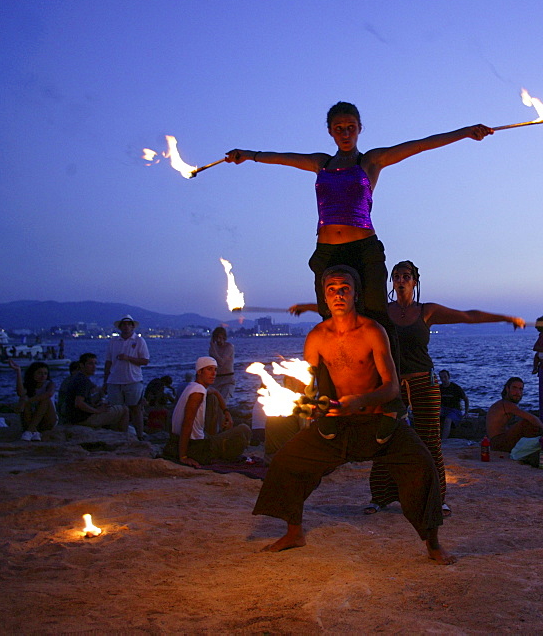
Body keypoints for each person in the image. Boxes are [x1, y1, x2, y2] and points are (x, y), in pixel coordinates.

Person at [224, 102, 494, 365]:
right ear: (330, 131)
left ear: (359, 129)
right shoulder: (321, 163)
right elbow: (283, 158)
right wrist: (248, 155)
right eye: (338, 128)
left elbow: (420, 144)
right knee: (330, 317)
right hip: (327, 251)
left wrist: (465, 132)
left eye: (350, 127)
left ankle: (390, 389)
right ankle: (333, 386)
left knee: (376, 316)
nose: (345, 133)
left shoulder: (371, 161)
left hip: (364, 248)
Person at [253, 265, 453, 564]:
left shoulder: (373, 331)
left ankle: (433, 544)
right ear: (324, 295)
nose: (338, 294)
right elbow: (309, 386)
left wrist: (360, 400)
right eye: (331, 289)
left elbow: (392, 388)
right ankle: (294, 532)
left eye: (344, 288)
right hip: (339, 424)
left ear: (356, 293)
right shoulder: (317, 337)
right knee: (286, 462)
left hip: (378, 420)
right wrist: (308, 403)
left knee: (422, 466)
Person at [291, 259, 523, 517]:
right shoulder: (383, 310)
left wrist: (504, 318)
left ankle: (437, 497)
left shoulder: (427, 311)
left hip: (424, 382)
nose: (400, 280)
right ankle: (380, 497)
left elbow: (468, 316)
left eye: (406, 276)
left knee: (430, 442)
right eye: (396, 276)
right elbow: (344, 305)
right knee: (384, 438)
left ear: (414, 281)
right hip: (391, 386)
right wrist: (308, 307)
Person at [163, 356, 250, 467]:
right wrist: (183, 457)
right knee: (245, 429)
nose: (214, 373)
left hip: (187, 441)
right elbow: (187, 423)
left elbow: (216, 392)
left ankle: (214, 440)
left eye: (215, 370)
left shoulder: (193, 386)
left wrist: (226, 413)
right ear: (199, 371)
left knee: (213, 398)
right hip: (196, 447)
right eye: (209, 369)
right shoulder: (198, 392)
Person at [104, 314, 149, 440]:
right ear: (120, 326)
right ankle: (119, 436)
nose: (126, 326)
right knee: (116, 411)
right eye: (124, 324)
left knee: (136, 409)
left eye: (129, 324)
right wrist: (105, 380)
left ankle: (140, 435)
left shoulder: (139, 341)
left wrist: (128, 358)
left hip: (133, 380)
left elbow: (145, 361)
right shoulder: (113, 341)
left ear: (132, 326)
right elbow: (108, 361)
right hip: (114, 380)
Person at [66, 353, 130, 433]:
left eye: (95, 363)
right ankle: (124, 437)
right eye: (90, 363)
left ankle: (115, 433)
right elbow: (79, 403)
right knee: (124, 410)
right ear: (82, 365)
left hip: (75, 417)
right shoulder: (83, 381)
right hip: (84, 419)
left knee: (110, 408)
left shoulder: (77, 378)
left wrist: (95, 406)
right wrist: (97, 411)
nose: (94, 367)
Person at [486, 377, 543, 453]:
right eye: (514, 388)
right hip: (498, 443)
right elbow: (532, 418)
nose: (517, 392)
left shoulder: (504, 403)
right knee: (526, 423)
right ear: (507, 389)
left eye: (520, 389)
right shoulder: (506, 404)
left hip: (498, 441)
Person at [8, 359, 58, 441]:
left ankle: (29, 431)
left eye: (45, 373)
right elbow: (20, 393)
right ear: (32, 374)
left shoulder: (49, 384)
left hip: (47, 420)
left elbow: (49, 394)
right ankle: (34, 431)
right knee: (24, 397)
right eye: (39, 373)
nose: (43, 376)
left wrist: (27, 401)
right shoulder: (28, 386)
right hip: (30, 420)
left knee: (45, 400)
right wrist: (18, 371)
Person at [438, 369, 469, 441]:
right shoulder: (439, 388)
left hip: (455, 410)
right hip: (443, 409)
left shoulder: (456, 388)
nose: (443, 379)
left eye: (445, 377)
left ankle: (444, 440)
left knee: (448, 420)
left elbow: (466, 399)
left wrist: (466, 412)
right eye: (441, 377)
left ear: (449, 377)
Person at [209, 326, 236, 405]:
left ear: (224, 337)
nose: (218, 340)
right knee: (213, 403)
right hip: (216, 380)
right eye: (217, 338)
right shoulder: (213, 348)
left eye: (220, 338)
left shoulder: (229, 347)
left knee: (223, 402)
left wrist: (214, 349)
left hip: (228, 379)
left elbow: (221, 362)